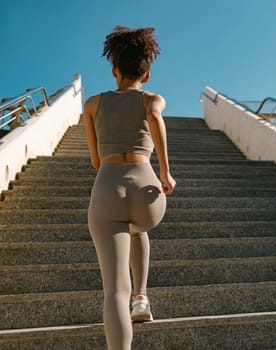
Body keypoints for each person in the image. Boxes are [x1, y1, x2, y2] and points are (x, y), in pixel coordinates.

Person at [83, 25, 176, 350]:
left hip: (109, 186)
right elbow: (154, 117)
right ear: (146, 74)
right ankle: (142, 296)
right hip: (147, 191)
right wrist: (165, 172)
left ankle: (131, 301)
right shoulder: (153, 98)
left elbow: (96, 161)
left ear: (114, 70)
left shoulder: (93, 105)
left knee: (113, 291)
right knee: (137, 228)